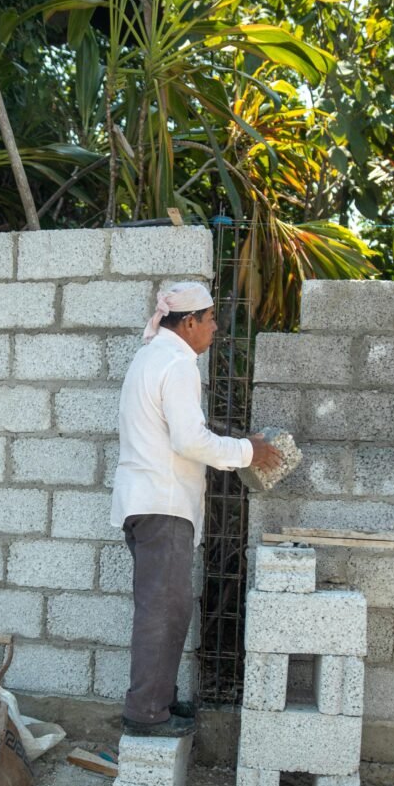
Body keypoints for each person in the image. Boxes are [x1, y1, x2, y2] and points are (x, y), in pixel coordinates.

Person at [111, 282, 283, 737]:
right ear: (188, 322)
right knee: (162, 611)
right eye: (209, 320)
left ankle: (158, 702)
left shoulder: (152, 357)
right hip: (161, 505)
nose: (215, 329)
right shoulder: (177, 363)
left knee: (169, 607)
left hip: (148, 503)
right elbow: (189, 440)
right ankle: (146, 713)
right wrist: (249, 451)